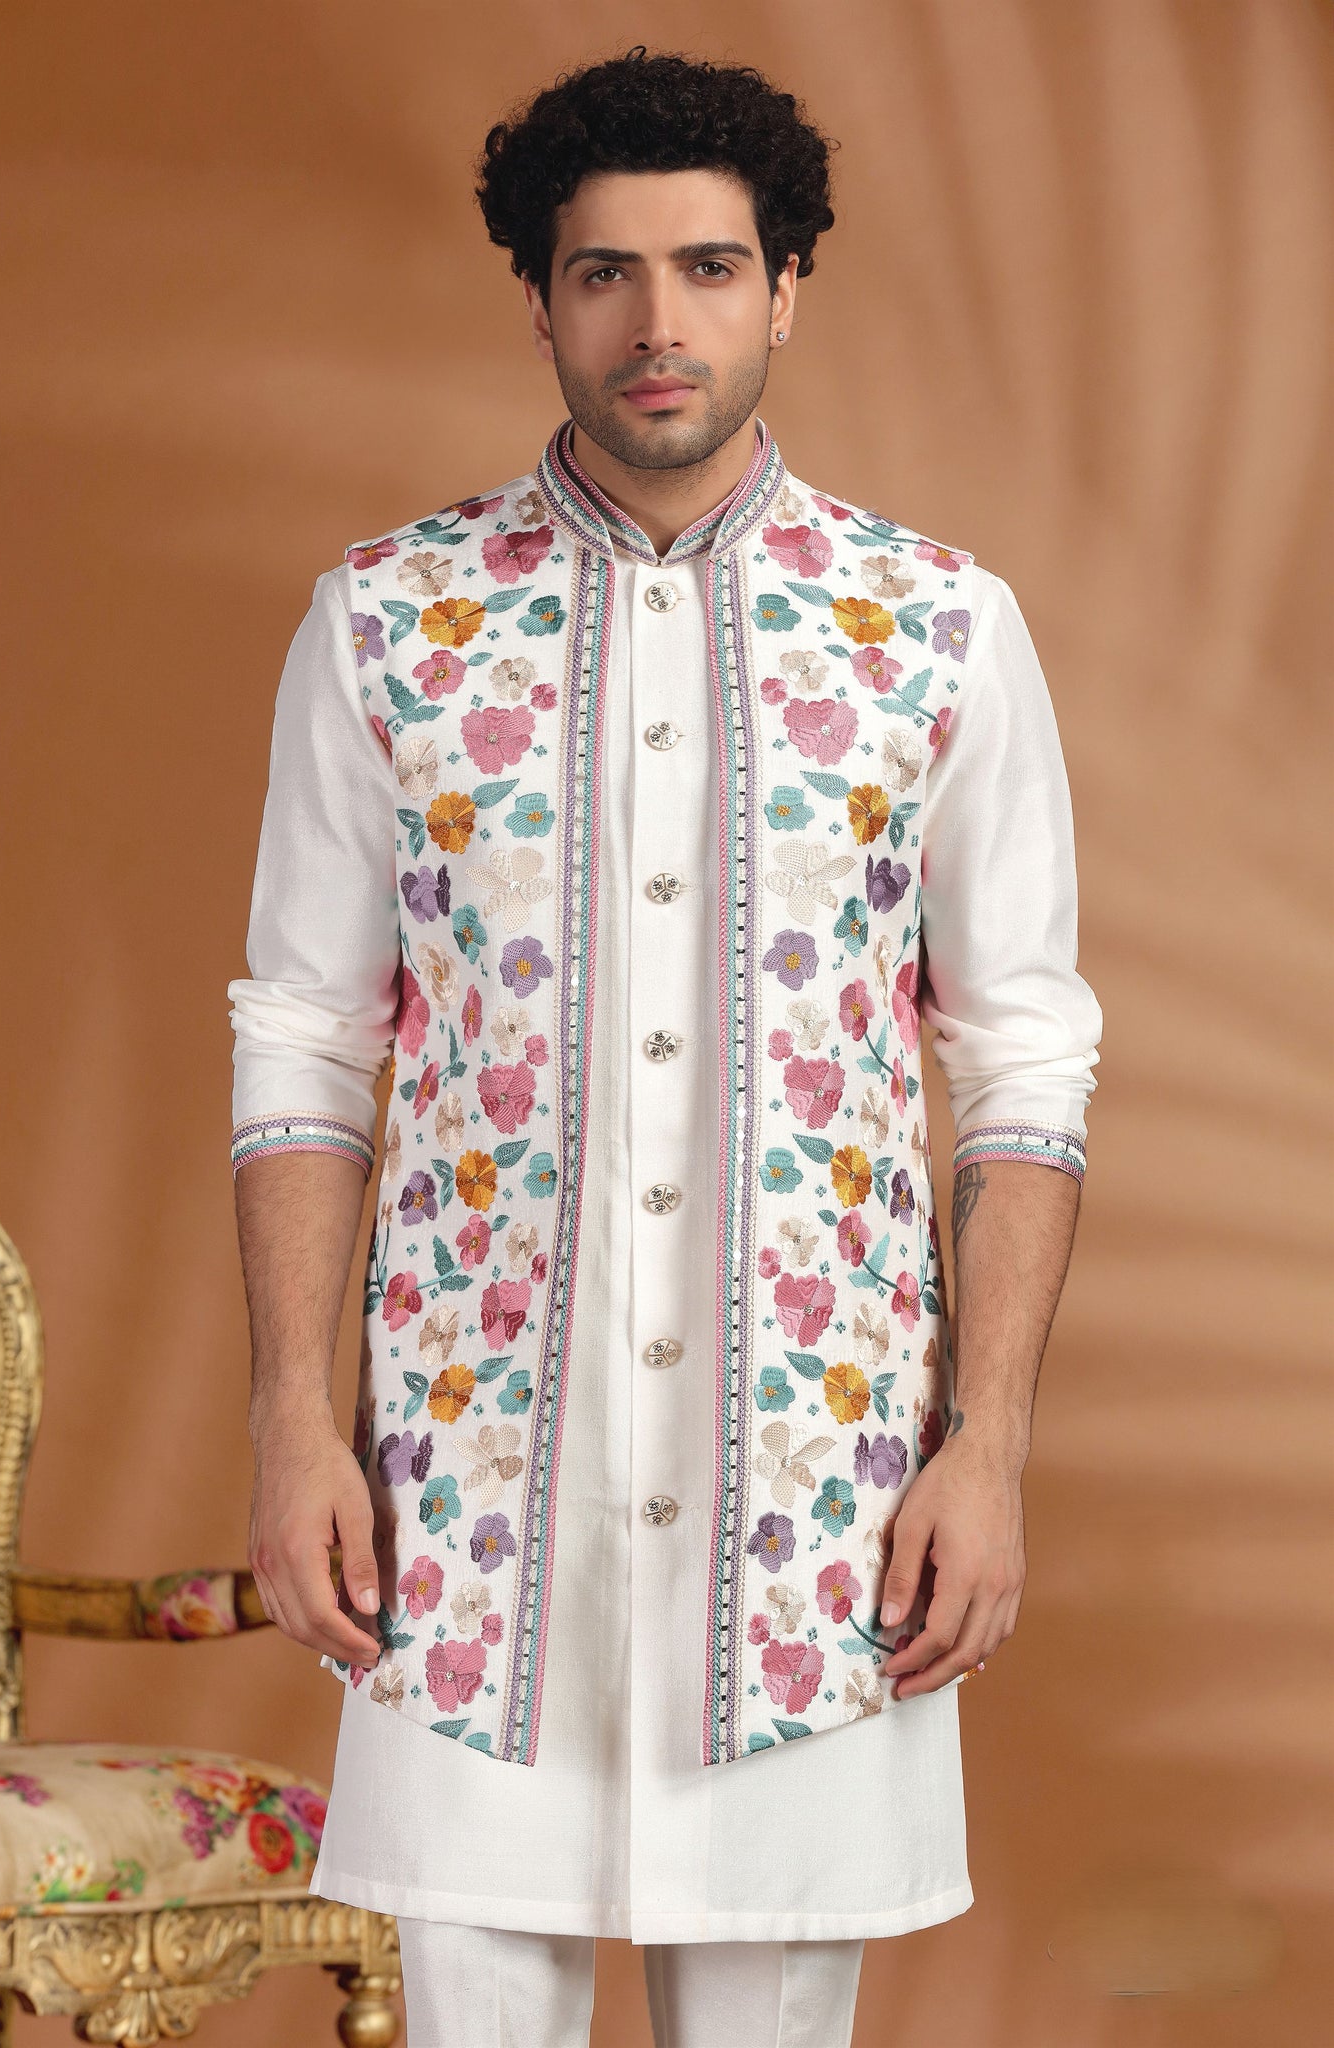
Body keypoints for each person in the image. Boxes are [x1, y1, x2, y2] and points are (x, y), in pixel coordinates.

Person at [228, 45, 1103, 2048]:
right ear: (538, 299)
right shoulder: (384, 624)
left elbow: (1020, 1056)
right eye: (602, 273)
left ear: (785, 285)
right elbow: (304, 1039)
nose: (656, 324)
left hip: (812, 1511)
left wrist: (984, 1444)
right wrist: (292, 1419)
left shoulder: (934, 631)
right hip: (470, 1510)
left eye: (708, 267)